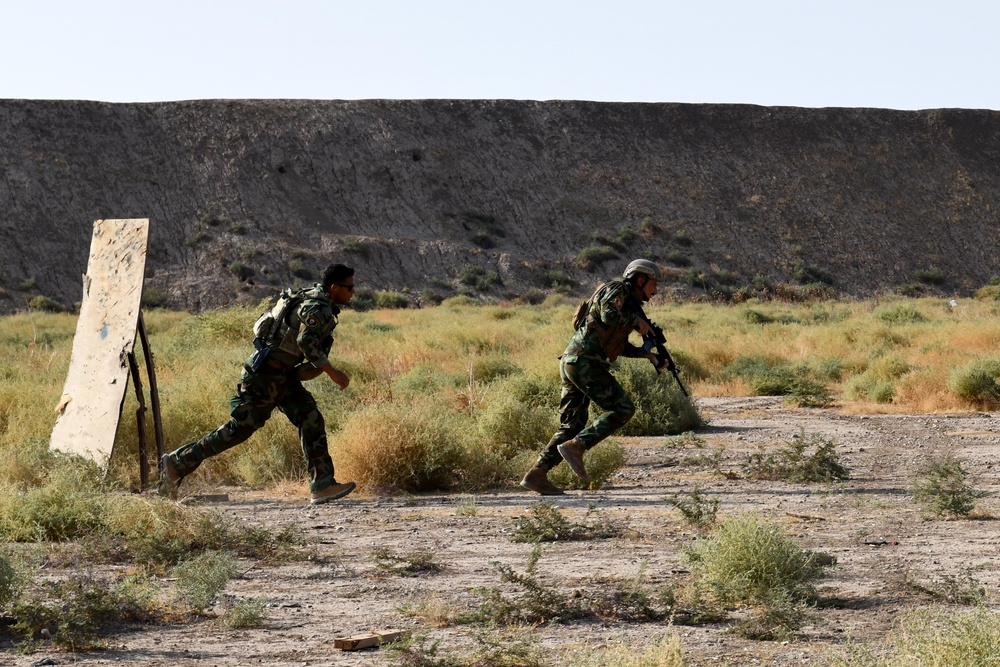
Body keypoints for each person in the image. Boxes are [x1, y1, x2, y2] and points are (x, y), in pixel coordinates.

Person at [161, 263, 358, 505]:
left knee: (310, 419)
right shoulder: (317, 307)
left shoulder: (316, 300)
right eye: (349, 288)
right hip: (265, 376)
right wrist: (333, 372)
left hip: (283, 377)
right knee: (240, 429)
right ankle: (177, 463)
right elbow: (306, 341)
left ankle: (323, 484)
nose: (353, 293)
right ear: (334, 287)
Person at [520, 259, 664, 495]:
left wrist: (647, 355)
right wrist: (636, 321)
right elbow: (608, 315)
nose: (655, 290)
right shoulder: (618, 290)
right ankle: (577, 448)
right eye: (653, 284)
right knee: (623, 408)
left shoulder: (627, 304)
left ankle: (536, 475)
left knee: (572, 426)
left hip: (574, 362)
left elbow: (617, 345)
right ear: (641, 279)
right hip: (585, 362)